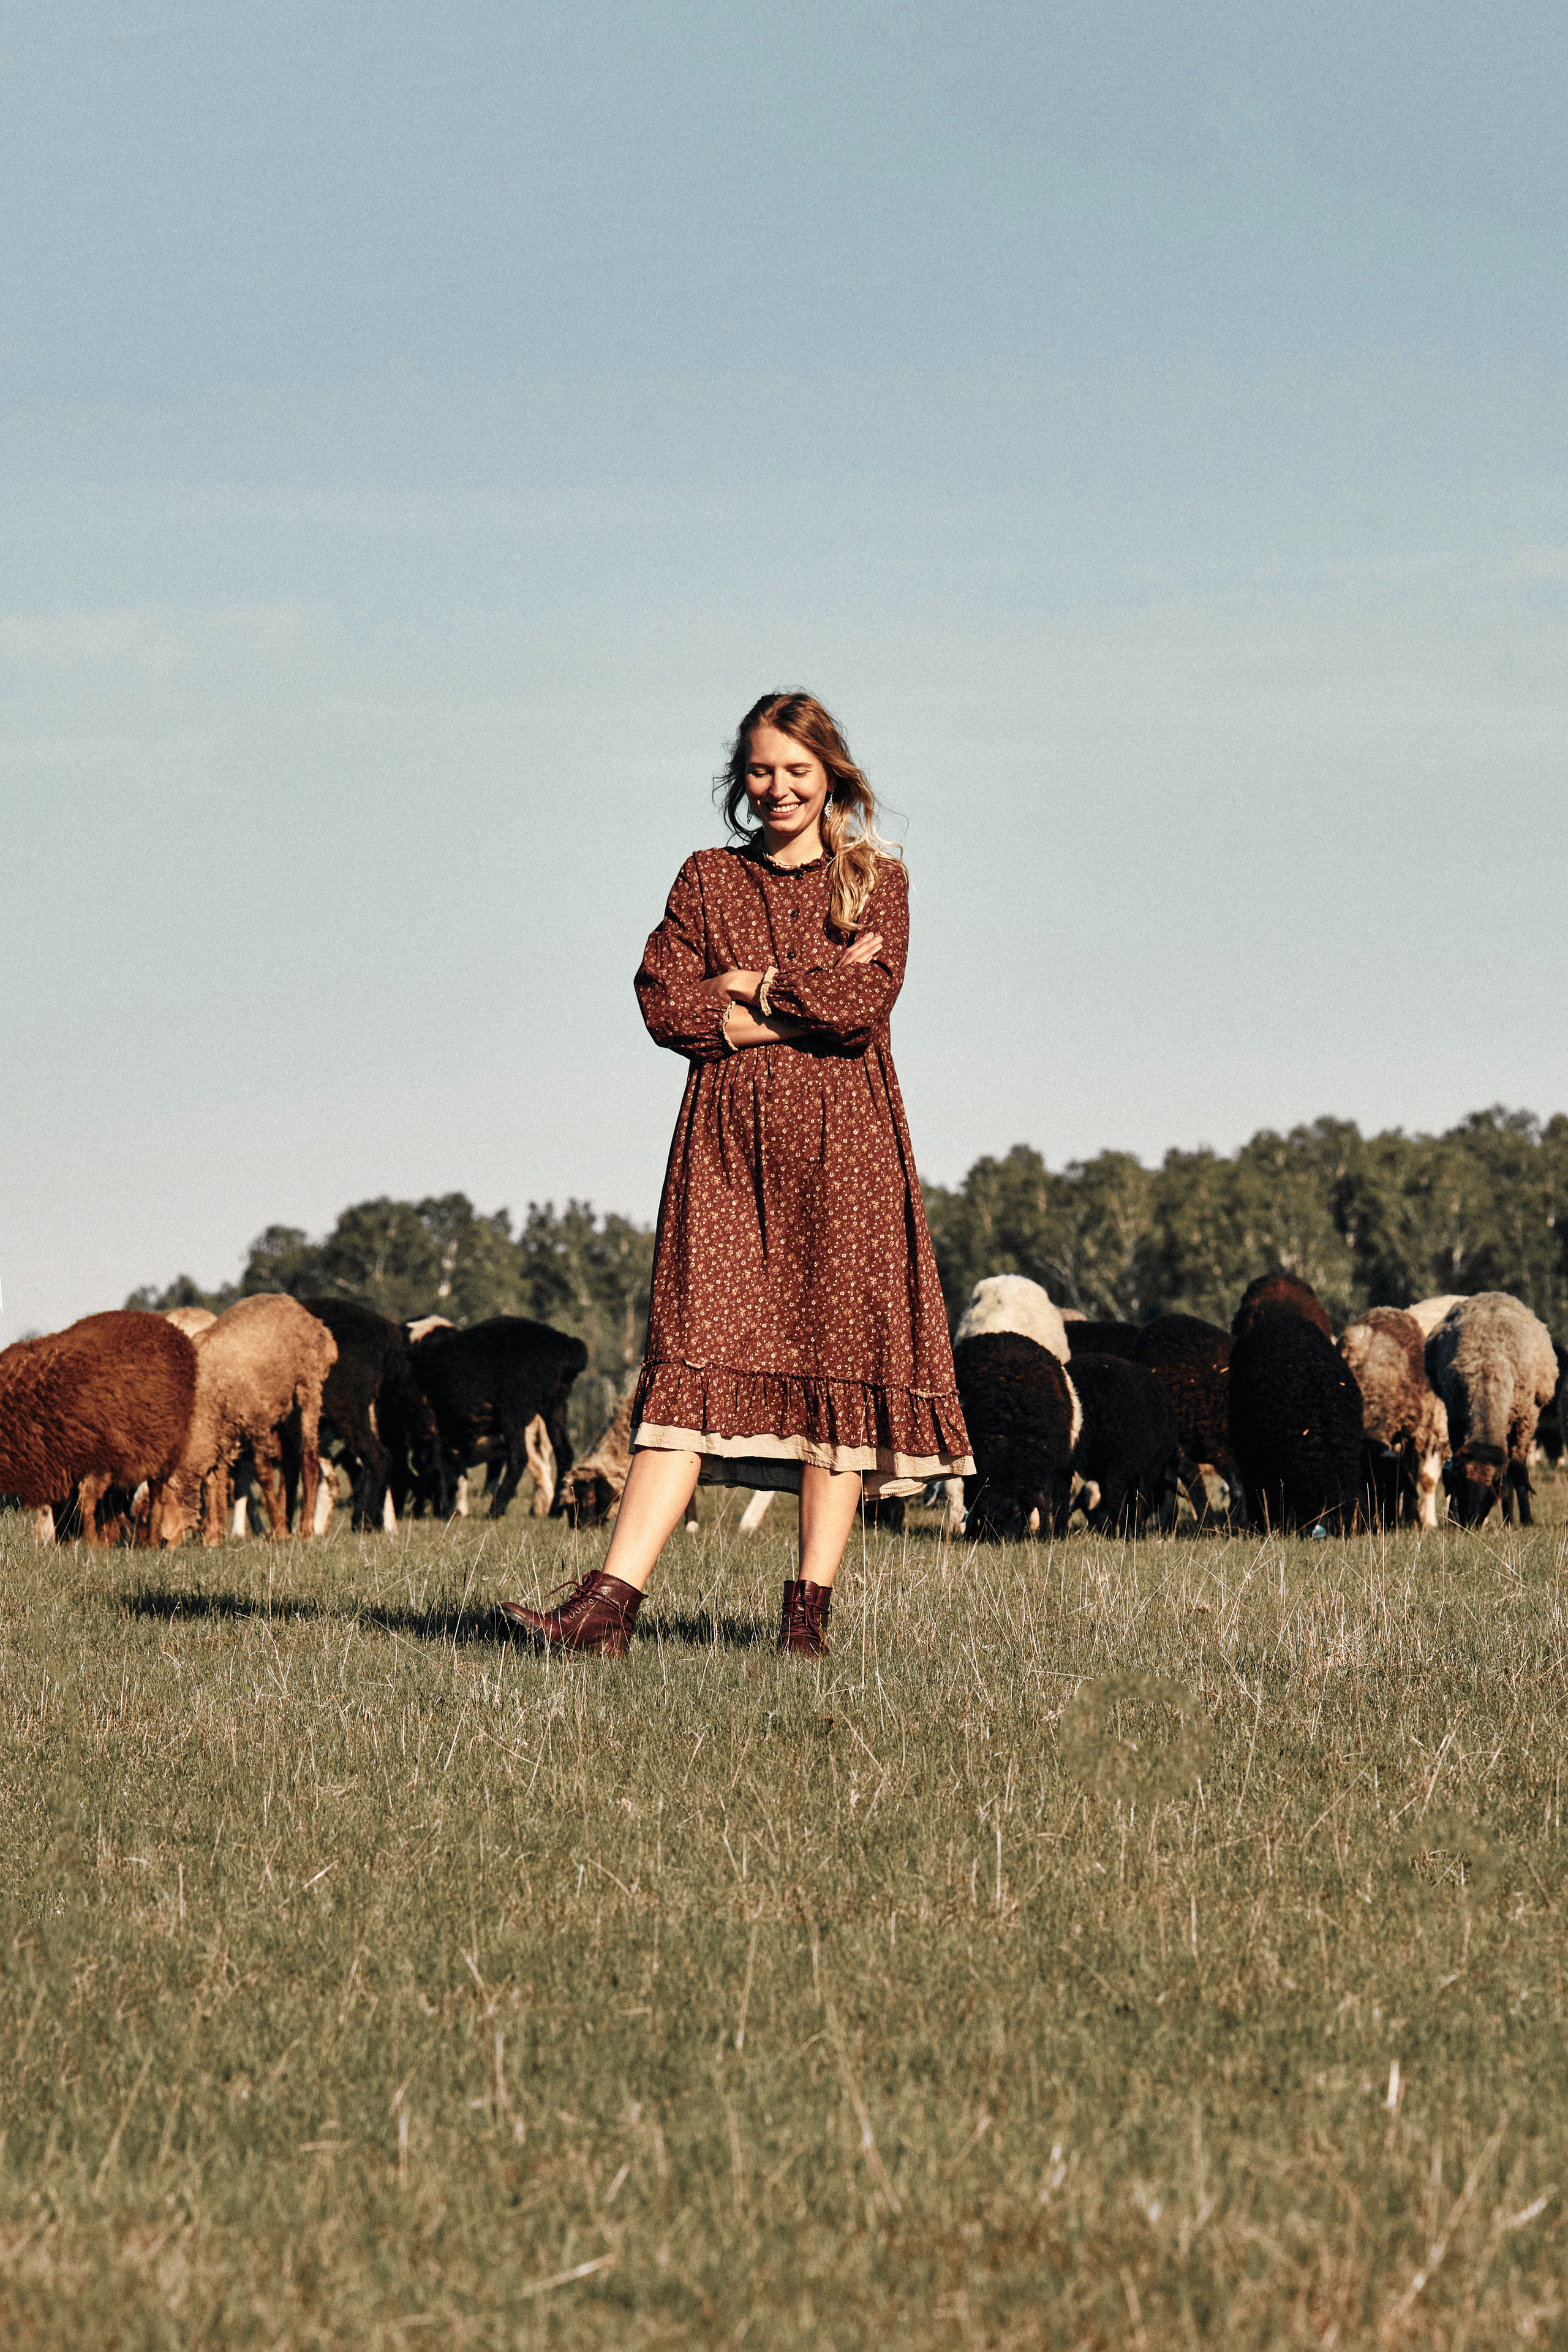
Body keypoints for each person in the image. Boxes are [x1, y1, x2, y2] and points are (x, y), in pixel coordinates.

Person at [502, 690, 972, 1659]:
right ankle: (605, 1610)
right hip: (723, 1153)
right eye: (761, 771)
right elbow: (660, 1004)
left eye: (797, 771)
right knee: (687, 1371)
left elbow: (862, 1008)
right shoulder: (707, 879)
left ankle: (805, 1622)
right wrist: (784, 994)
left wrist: (743, 984)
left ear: (830, 775)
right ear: (740, 779)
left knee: (836, 1376)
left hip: (848, 1155)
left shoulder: (877, 879)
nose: (778, 789)